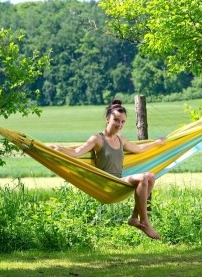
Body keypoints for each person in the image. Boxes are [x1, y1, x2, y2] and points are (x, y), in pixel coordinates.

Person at [50, 99, 165, 240]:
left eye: (122, 122)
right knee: (143, 178)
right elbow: (77, 152)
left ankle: (135, 218)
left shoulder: (121, 139)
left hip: (119, 181)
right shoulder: (97, 139)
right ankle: (145, 222)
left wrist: (157, 143)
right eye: (116, 120)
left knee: (151, 177)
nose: (119, 124)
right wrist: (59, 149)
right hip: (106, 183)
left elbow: (139, 149)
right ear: (107, 119)